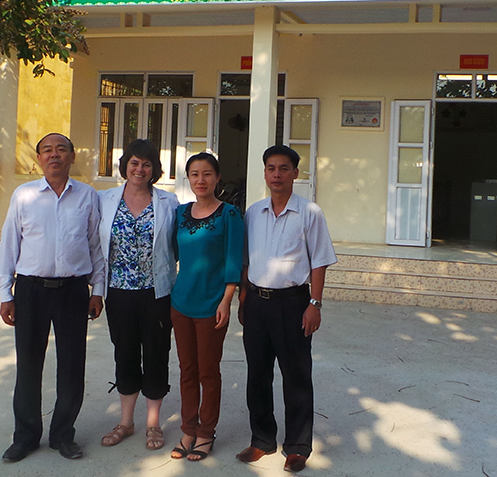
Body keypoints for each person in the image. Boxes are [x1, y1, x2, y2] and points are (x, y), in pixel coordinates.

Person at [0, 133, 105, 463]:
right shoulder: (24, 195)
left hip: (73, 291)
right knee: (28, 365)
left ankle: (62, 435)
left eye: (61, 150)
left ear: (72, 156)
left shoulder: (87, 196)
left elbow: (95, 246)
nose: (54, 155)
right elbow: (9, 245)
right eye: (47, 150)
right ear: (39, 159)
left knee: (72, 364)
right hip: (30, 291)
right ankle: (25, 437)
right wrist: (5, 293)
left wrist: (98, 290)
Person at [237, 145, 336, 473]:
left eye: (283, 168)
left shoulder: (310, 213)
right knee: (258, 375)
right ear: (264, 173)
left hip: (294, 304)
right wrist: (243, 297)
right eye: (270, 168)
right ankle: (262, 439)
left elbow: (320, 261)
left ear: (295, 173)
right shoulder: (253, 212)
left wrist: (315, 304)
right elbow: (246, 259)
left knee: (296, 376)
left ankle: (297, 446)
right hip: (256, 304)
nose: (276, 175)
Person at [96, 139, 179, 451]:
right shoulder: (104, 200)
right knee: (125, 353)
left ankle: (153, 424)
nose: (139, 169)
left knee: (157, 355)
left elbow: (178, 245)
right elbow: (94, 245)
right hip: (118, 293)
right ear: (125, 165)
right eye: (134, 162)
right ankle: (126, 422)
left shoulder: (169, 203)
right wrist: (95, 288)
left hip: (157, 294)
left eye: (146, 164)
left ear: (154, 169)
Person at [169, 152, 244, 462]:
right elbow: (173, 254)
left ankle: (205, 432)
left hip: (213, 305)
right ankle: (188, 428)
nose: (201, 180)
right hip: (181, 303)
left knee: (208, 372)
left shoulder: (230, 215)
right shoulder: (180, 214)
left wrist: (227, 301)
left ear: (217, 178)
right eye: (195, 174)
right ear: (189, 179)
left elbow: (234, 261)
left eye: (207, 174)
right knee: (187, 370)